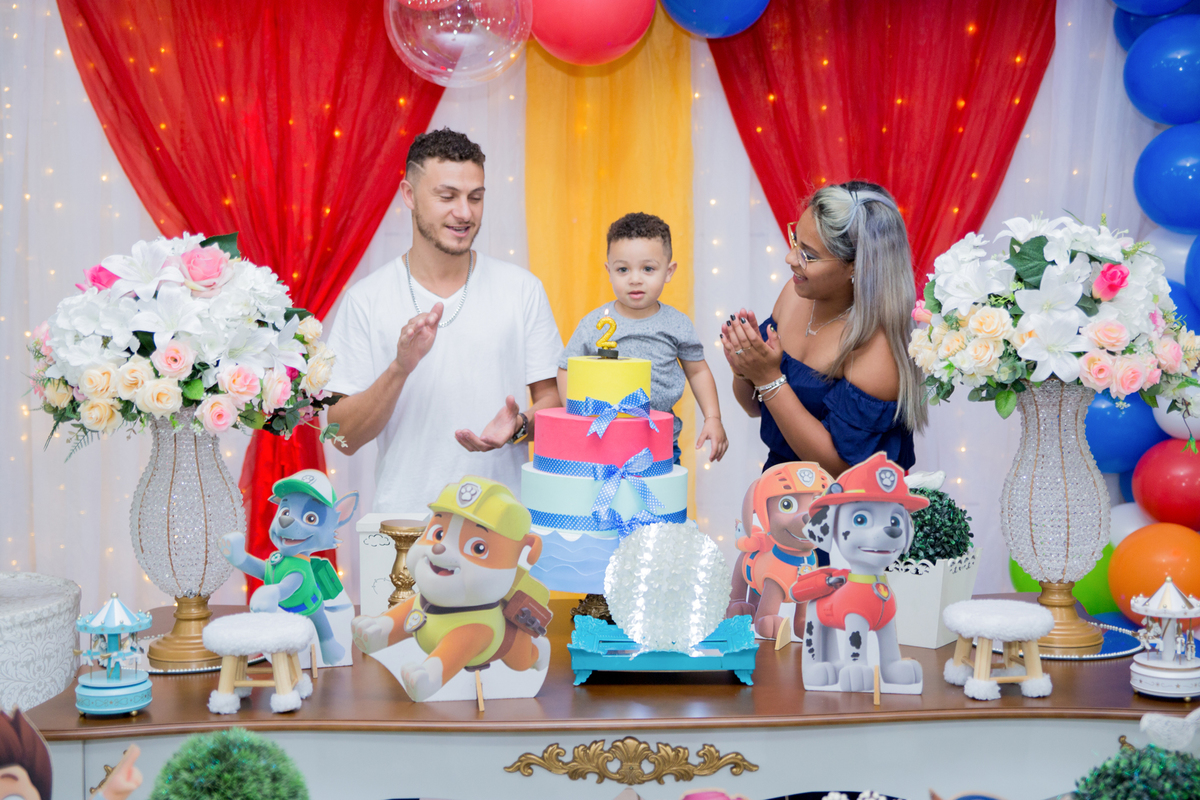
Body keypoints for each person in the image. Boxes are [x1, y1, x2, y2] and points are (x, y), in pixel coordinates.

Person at [326, 129, 563, 510]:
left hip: (502, 528)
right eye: (447, 196)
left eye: (475, 197)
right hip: (403, 529)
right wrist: (399, 369)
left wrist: (519, 428)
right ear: (409, 195)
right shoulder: (365, 300)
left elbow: (552, 400)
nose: (465, 213)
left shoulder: (522, 289)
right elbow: (342, 438)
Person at [721, 181, 926, 478]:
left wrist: (768, 377)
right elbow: (755, 408)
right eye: (795, 241)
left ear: (856, 266)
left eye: (809, 254)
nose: (791, 259)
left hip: (848, 510)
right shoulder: (794, 295)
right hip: (780, 491)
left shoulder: (876, 348)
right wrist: (745, 367)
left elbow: (841, 468)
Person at [558, 212, 727, 463]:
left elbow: (698, 371)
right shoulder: (594, 324)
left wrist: (713, 418)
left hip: (660, 446)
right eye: (623, 269)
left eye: (648, 268)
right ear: (609, 271)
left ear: (669, 272)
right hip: (602, 444)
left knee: (662, 501)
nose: (635, 279)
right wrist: (577, 415)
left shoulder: (677, 324)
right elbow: (566, 368)